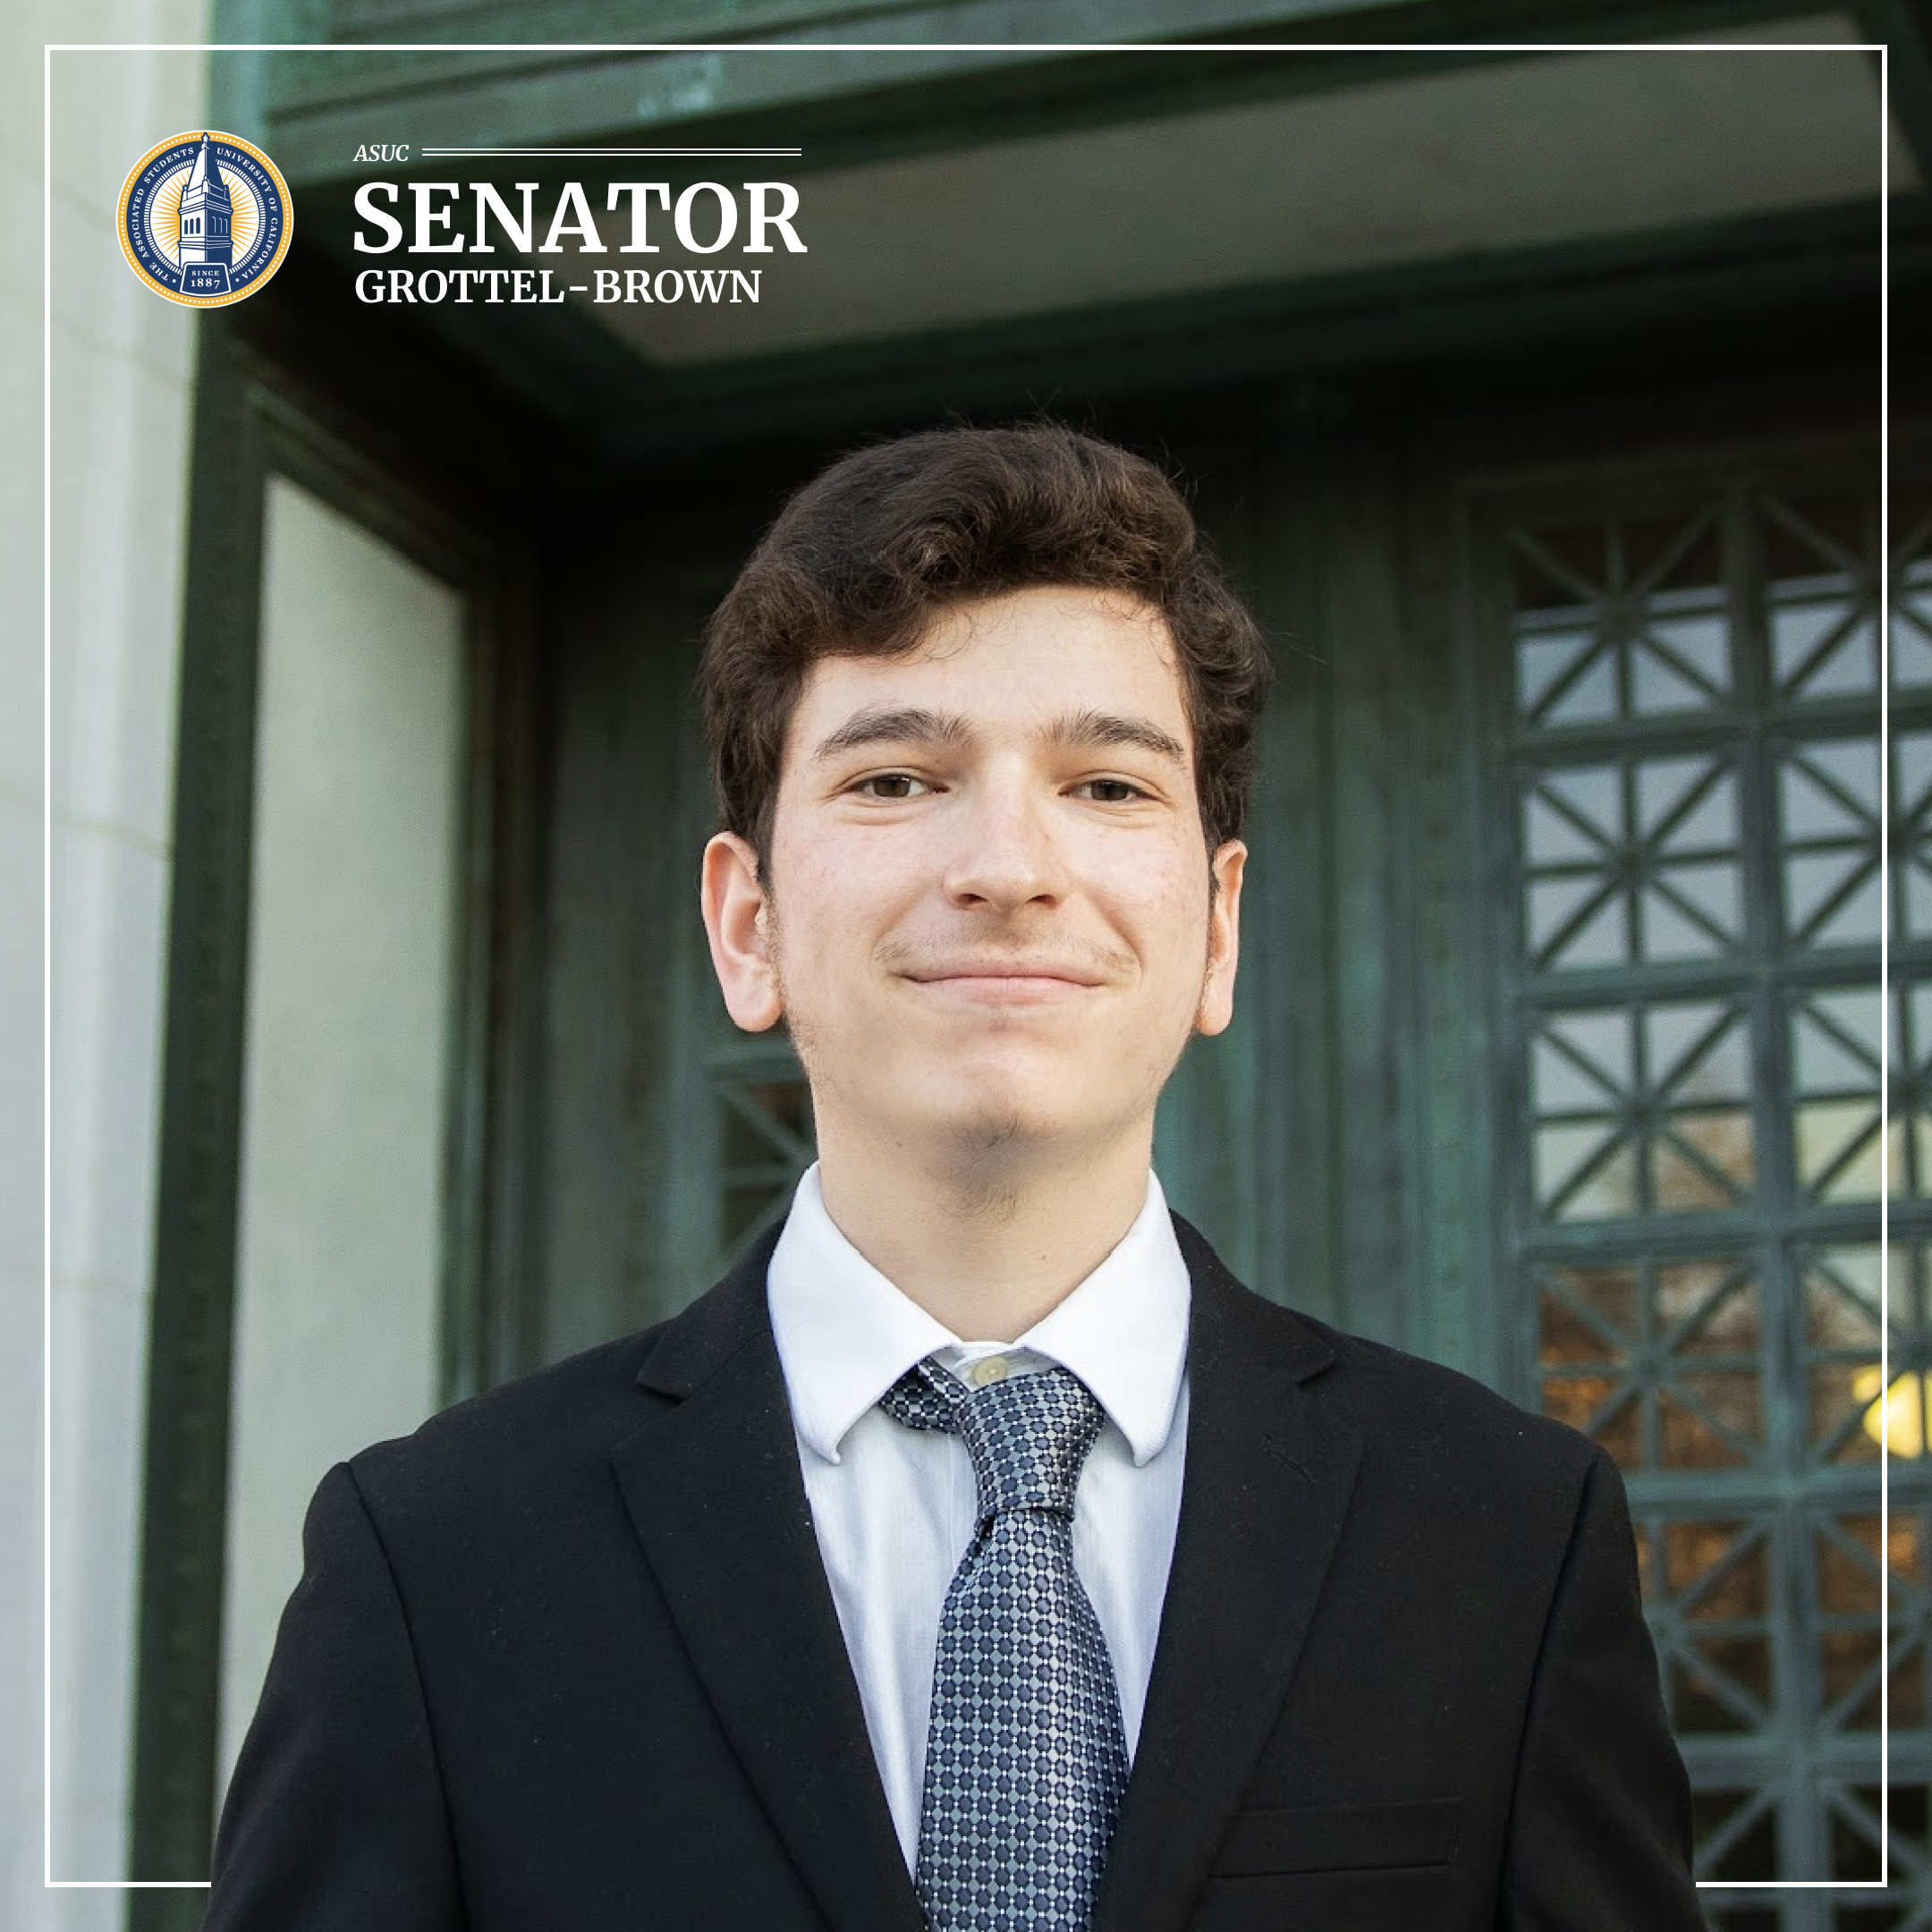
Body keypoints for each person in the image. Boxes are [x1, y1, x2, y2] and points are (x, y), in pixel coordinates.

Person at [204, 424, 1705, 1932]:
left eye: (1109, 787)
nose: (1007, 863)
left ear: (1219, 928)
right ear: (748, 927)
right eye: (898, 779)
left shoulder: (1503, 1535)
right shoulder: (436, 1559)